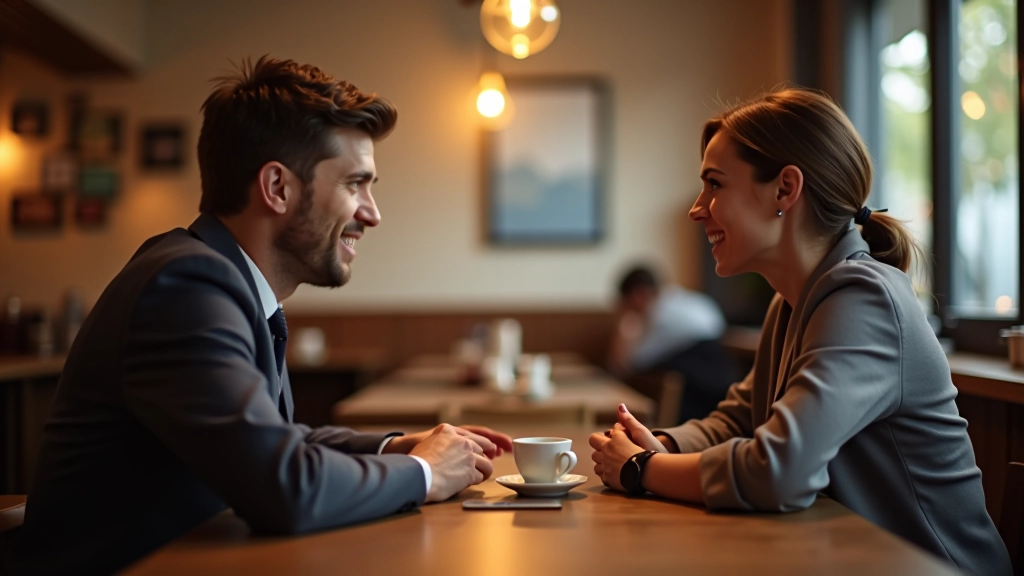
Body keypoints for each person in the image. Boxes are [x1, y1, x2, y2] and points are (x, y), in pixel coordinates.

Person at [7, 56, 512, 576]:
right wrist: (423, 472)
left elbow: (273, 439)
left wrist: (396, 445)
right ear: (276, 188)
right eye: (355, 184)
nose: (372, 212)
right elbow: (285, 488)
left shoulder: (213, 277)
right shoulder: (185, 287)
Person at [589, 89, 1011, 576]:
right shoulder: (792, 302)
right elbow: (737, 422)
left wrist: (643, 469)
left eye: (714, 184)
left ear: (785, 190)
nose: (697, 208)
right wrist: (662, 444)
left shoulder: (864, 298)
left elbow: (779, 471)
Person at [608, 265, 737, 422]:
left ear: (637, 294)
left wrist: (626, 327)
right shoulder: (687, 299)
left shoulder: (660, 313)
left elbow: (631, 363)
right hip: (724, 373)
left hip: (702, 391)